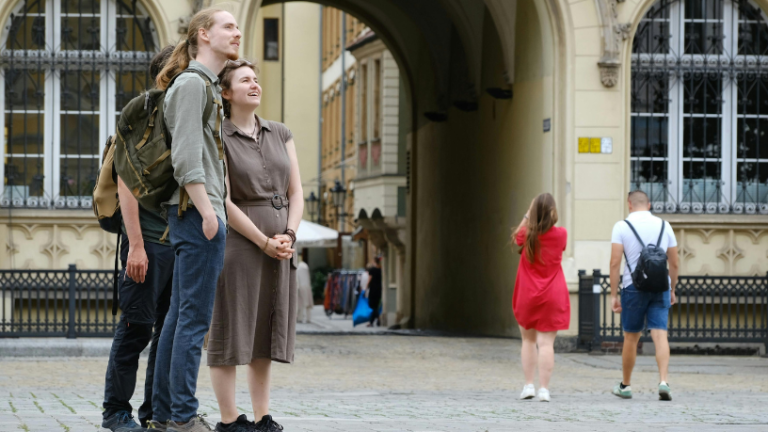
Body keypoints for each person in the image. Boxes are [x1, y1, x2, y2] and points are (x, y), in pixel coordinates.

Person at [150, 8, 241, 432]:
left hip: (194, 212)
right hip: (196, 213)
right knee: (193, 321)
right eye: (228, 26)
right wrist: (208, 213)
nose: (237, 32)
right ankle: (183, 417)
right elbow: (187, 156)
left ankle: (166, 415)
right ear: (203, 34)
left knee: (179, 318)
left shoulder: (203, 84)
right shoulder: (191, 84)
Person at [206, 59, 303, 432]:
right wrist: (263, 241)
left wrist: (289, 235)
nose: (254, 84)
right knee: (230, 328)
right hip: (240, 245)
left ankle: (263, 417)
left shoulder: (281, 132)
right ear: (226, 92)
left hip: (281, 245)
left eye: (256, 79)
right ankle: (230, 420)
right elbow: (224, 200)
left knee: (264, 331)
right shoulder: (218, 135)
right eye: (245, 79)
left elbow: (296, 193)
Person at [100, 45, 175, 432]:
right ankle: (115, 412)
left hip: (178, 242)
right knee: (136, 329)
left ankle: (155, 412)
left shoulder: (184, 115)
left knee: (167, 334)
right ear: (167, 75)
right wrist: (137, 246)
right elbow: (126, 183)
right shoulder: (145, 115)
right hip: (146, 240)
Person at [609, 190, 678, 401]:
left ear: (629, 204)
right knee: (660, 335)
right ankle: (664, 381)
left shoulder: (621, 227)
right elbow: (674, 263)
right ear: (649, 205)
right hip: (660, 287)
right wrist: (672, 289)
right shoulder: (665, 226)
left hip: (633, 287)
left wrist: (613, 294)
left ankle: (626, 385)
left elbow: (614, 263)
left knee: (631, 337)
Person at [511, 193, 569, 403]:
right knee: (546, 344)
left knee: (528, 340)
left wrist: (528, 215)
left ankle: (528, 385)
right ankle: (544, 389)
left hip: (527, 294)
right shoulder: (561, 234)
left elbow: (516, 237)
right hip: (552, 294)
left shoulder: (527, 234)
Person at [365, 257, 383, 327]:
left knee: (372, 306)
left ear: (374, 262)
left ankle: (377, 319)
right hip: (379, 290)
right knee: (376, 305)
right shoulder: (381, 269)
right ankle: (374, 321)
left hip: (373, 290)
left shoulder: (372, 270)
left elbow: (370, 278)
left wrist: (366, 287)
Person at [297, 256, 314, 324]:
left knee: (301, 304)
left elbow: (297, 279)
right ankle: (308, 318)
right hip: (307, 287)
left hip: (301, 287)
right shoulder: (305, 267)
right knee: (307, 304)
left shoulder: (299, 268)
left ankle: (300, 318)